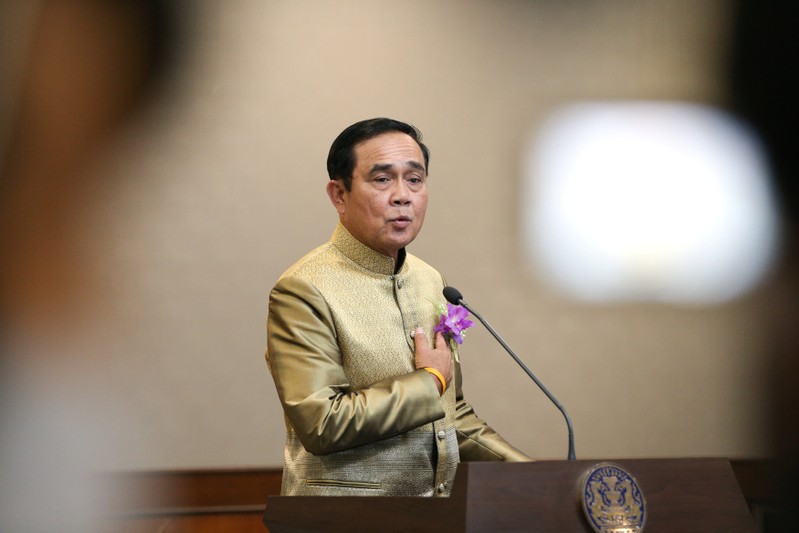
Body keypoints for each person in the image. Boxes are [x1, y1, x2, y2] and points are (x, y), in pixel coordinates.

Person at [265, 117, 531, 497]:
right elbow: (322, 422)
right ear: (339, 195)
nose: (402, 195)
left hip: (433, 517)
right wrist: (429, 381)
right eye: (382, 179)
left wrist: (536, 474)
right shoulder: (303, 288)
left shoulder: (431, 281)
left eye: (415, 179)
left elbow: (449, 415)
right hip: (342, 522)